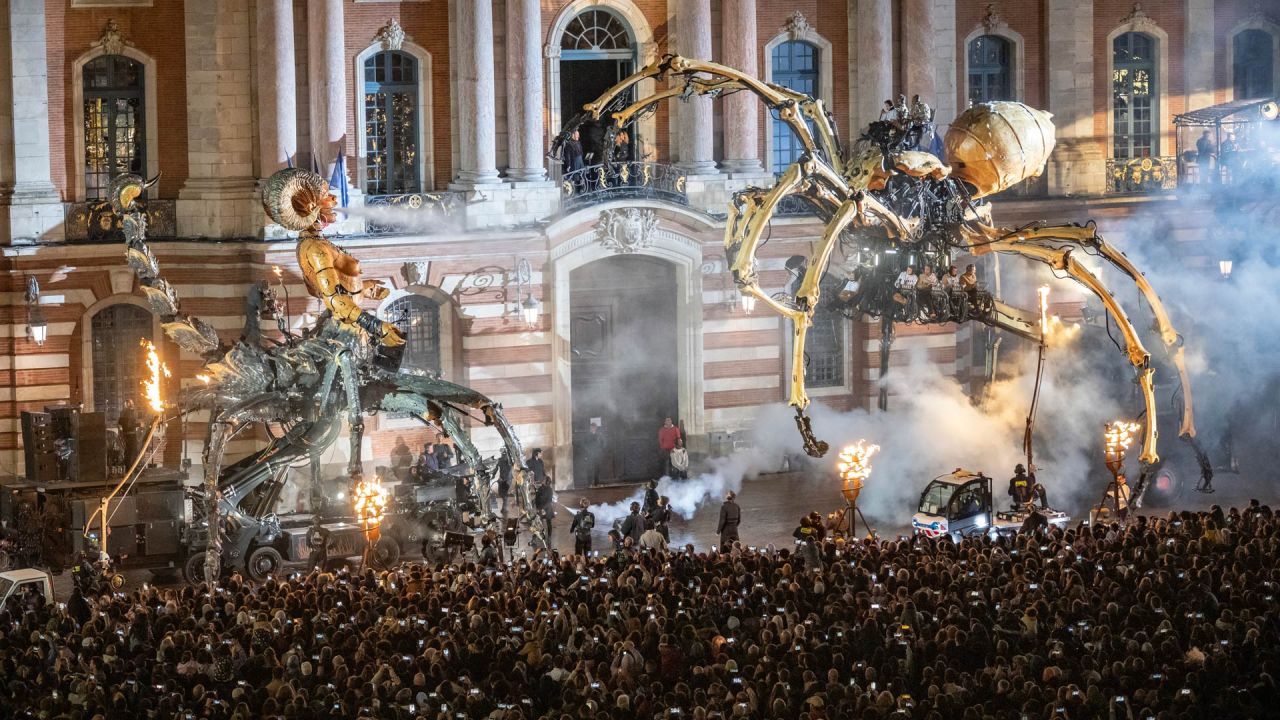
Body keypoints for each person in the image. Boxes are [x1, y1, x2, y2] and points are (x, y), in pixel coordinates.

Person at [534, 479, 554, 548]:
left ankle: (549, 537)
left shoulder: (550, 490)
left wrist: (543, 508)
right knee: (539, 523)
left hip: (548, 508)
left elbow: (549, 500)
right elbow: (536, 499)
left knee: (549, 523)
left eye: (544, 480)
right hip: (540, 508)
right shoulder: (540, 489)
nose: (543, 481)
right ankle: (539, 536)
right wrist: (537, 508)